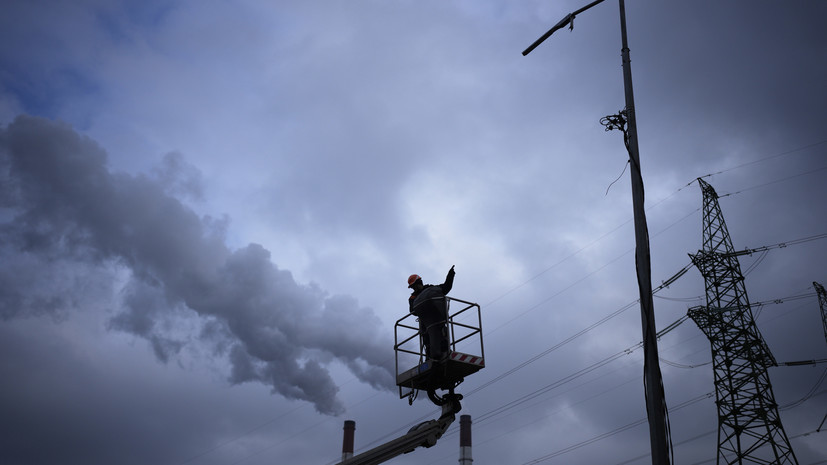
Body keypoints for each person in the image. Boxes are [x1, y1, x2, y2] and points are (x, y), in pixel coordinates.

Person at [407, 266, 455, 360]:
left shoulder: (432, 290)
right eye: (412, 287)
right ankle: (430, 358)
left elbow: (446, 287)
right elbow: (413, 310)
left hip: (438, 321)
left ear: (419, 283)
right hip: (426, 325)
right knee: (428, 342)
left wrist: (450, 275)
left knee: (443, 338)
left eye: (414, 286)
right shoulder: (413, 298)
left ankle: (446, 352)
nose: (414, 289)